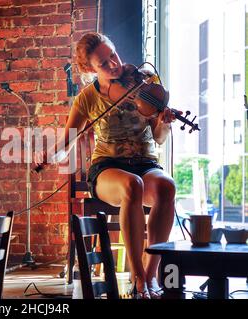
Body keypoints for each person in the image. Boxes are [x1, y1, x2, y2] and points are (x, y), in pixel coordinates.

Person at [35, 33, 177, 299]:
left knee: (167, 186)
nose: (114, 64)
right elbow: (66, 141)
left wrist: (164, 123)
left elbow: (157, 138)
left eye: (113, 54)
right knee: (131, 185)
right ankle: (137, 279)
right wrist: (48, 155)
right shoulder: (88, 98)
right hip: (107, 168)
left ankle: (150, 274)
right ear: (90, 69)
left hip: (146, 163)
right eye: (103, 63)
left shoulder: (144, 81)